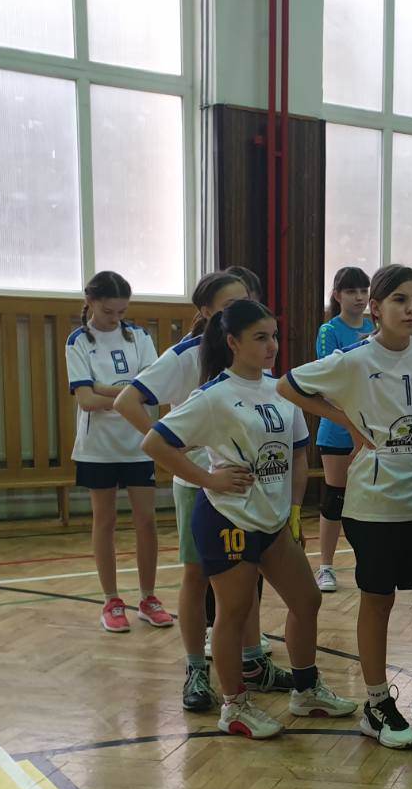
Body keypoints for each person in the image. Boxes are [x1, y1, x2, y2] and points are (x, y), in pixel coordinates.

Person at [278, 264, 412, 749]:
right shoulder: (353, 360)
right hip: (372, 504)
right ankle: (375, 702)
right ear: (375, 308)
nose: (411, 309)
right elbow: (286, 385)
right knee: (379, 600)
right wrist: (347, 422)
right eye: (399, 301)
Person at [141, 299, 356, 739]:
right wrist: (207, 478)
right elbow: (155, 443)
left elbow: (296, 455)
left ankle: (305, 690)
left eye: (274, 336)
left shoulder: (281, 391)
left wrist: (292, 512)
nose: (271, 345)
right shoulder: (213, 396)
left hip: (271, 521)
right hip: (228, 519)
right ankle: (234, 707)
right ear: (233, 342)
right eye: (260, 337)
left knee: (307, 600)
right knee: (233, 613)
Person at [116, 271, 292, 713]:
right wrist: (190, 460)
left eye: (246, 300)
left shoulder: (255, 358)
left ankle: (253, 660)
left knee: (249, 575)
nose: (239, 309)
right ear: (206, 312)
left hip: (250, 488)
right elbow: (126, 401)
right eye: (229, 304)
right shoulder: (186, 356)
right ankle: (196, 668)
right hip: (201, 485)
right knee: (197, 576)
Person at [66, 271, 171, 635]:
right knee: (105, 521)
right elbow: (86, 400)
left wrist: (104, 388)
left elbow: (152, 391)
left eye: (122, 312)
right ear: (90, 302)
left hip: (138, 443)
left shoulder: (140, 337)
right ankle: (111, 600)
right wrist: (125, 394)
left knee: (146, 521)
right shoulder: (78, 342)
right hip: (98, 448)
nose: (116, 318)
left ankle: (148, 598)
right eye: (108, 311)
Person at [314, 266, 373, 593]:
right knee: (335, 499)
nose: (359, 297)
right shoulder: (329, 330)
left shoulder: (375, 329)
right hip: (337, 428)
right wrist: (351, 427)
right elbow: (330, 381)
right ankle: (325, 566)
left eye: (363, 290)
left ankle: (368, 561)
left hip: (372, 428)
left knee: (365, 500)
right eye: (351, 291)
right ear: (337, 295)